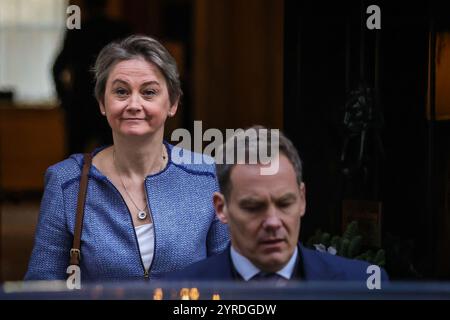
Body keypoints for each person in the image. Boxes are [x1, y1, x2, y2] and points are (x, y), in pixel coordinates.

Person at [25, 35, 229, 281]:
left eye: (149, 92)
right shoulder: (67, 182)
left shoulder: (205, 175)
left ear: (173, 103)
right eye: (121, 91)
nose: (134, 104)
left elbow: (226, 278)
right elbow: (42, 287)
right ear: (102, 102)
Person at [165, 126, 389, 283]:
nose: (273, 222)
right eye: (253, 207)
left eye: (284, 203)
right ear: (221, 209)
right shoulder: (181, 291)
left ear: (302, 199)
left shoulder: (360, 284)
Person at [53, 0, 131, 155]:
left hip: (80, 103)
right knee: (115, 159)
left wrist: (64, 98)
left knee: (74, 162)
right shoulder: (119, 30)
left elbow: (57, 68)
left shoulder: (78, 32)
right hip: (111, 102)